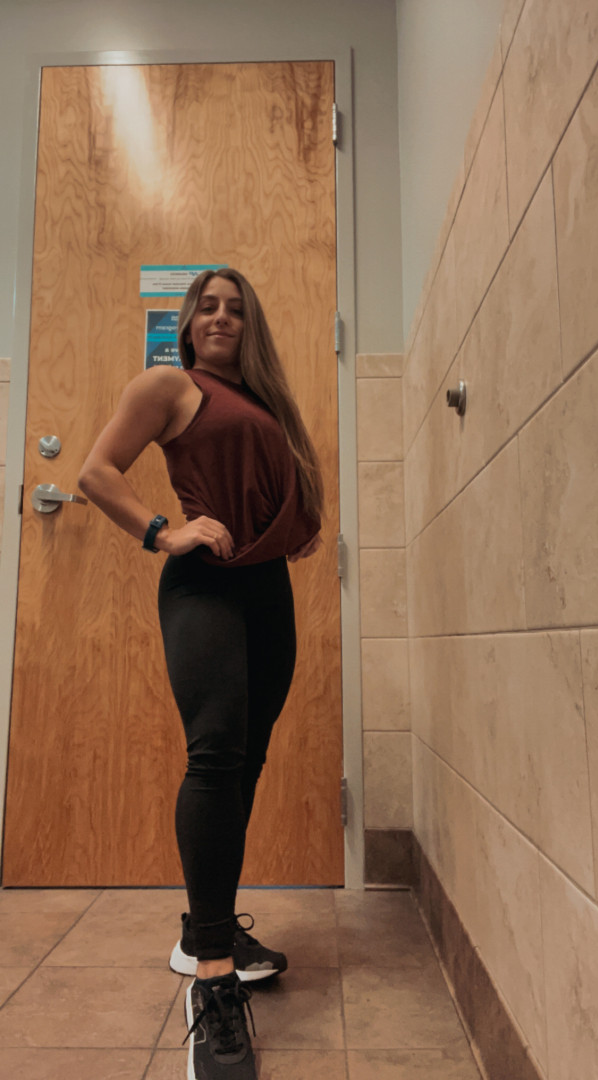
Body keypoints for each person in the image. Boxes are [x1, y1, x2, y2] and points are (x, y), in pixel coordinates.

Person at [78, 268, 323, 1080]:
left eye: (236, 309)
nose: (221, 317)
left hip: (265, 585)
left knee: (246, 761)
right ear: (187, 323)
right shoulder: (169, 386)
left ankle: (204, 925)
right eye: (208, 307)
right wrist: (163, 531)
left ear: (251, 327)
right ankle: (212, 979)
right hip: (204, 585)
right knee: (215, 755)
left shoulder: (264, 400)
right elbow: (95, 472)